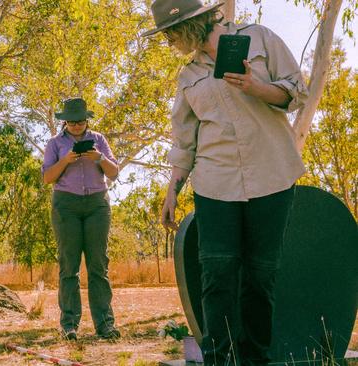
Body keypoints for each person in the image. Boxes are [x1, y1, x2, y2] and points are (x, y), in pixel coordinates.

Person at [143, 0, 309, 365]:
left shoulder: (259, 38)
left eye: (170, 33)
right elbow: (184, 139)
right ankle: (219, 360)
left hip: (271, 174)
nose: (169, 41)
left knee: (260, 277)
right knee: (216, 275)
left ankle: (256, 360)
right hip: (215, 183)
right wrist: (172, 188)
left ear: (190, 23)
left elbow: (296, 91)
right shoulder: (188, 77)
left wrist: (255, 86)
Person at [42, 97, 121, 341]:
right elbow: (47, 178)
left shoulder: (99, 140)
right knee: (69, 265)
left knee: (98, 265)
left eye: (81, 121)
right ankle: (69, 325)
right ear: (64, 121)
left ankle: (105, 324)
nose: (77, 126)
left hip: (97, 204)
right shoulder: (55, 143)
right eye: (72, 122)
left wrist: (97, 157)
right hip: (66, 205)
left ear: (87, 120)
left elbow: (114, 173)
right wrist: (66, 160)